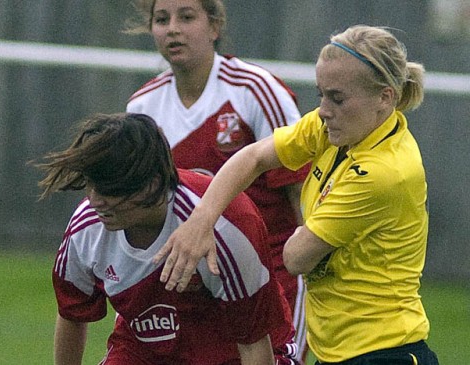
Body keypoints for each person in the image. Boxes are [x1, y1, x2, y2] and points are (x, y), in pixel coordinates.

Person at [155, 25, 440, 364]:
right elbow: (254, 157)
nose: (323, 109)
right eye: (321, 94)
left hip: (384, 352)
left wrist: (299, 236)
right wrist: (200, 221)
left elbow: (296, 258)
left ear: (385, 97)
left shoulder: (383, 173)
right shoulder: (335, 128)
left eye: (337, 98)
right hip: (339, 351)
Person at [124, 0, 309, 360]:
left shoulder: (256, 90)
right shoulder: (142, 108)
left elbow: (301, 190)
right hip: (194, 289)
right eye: (162, 20)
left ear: (215, 26)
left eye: (187, 17)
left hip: (271, 279)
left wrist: (310, 271)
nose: (172, 28)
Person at [35, 112, 297, 365]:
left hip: (234, 355)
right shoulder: (86, 227)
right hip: (143, 353)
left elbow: (254, 346)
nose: (95, 200)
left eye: (109, 190)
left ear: (152, 184)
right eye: (91, 186)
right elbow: (72, 314)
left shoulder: (230, 226)